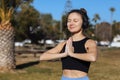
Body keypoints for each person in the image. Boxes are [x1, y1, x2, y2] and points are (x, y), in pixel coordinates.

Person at [40, 8, 98, 80]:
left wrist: (72, 54)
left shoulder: (89, 42)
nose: (71, 23)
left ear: (83, 23)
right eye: (69, 21)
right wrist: (64, 54)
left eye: (75, 21)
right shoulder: (64, 44)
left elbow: (92, 57)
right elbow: (42, 57)